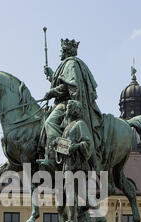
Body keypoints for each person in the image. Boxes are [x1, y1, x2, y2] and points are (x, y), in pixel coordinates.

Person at [39, 38, 103, 172]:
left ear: (67, 51)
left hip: (67, 103)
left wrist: (51, 92)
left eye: (62, 50)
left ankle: (60, 151)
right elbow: (64, 80)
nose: (60, 53)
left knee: (50, 122)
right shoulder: (69, 64)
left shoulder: (71, 63)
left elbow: (68, 86)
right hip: (61, 102)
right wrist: (51, 75)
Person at [56, 100, 95, 222]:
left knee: (72, 191)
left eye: (68, 107)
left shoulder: (80, 124)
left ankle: (73, 220)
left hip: (77, 164)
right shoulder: (68, 127)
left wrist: (76, 146)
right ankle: (78, 216)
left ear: (73, 110)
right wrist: (58, 145)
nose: (66, 110)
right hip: (68, 164)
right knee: (70, 191)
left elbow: (88, 143)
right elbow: (63, 147)